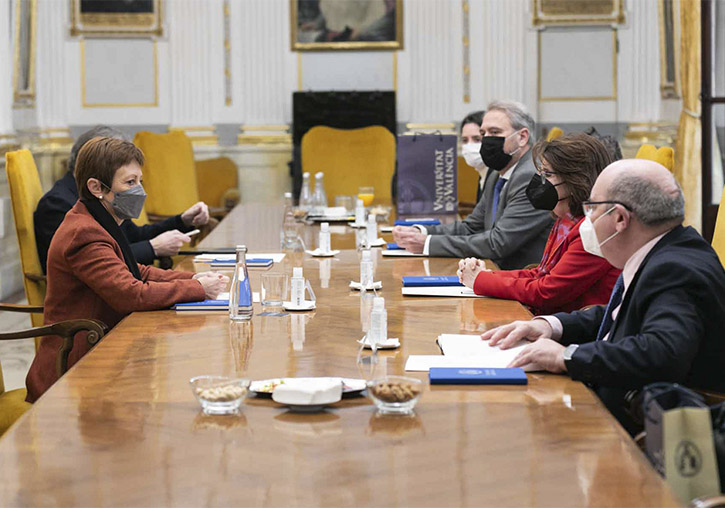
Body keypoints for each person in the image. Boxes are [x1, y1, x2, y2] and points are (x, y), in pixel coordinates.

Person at [481, 159, 725, 433]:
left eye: (592, 208)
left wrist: (568, 356)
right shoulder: (662, 250)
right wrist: (549, 326)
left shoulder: (675, 269)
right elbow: (619, 314)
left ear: (620, 218)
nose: (587, 220)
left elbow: (663, 352)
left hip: (640, 432)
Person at [26, 137, 228, 402]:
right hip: (73, 373)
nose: (140, 191)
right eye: (130, 182)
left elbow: (135, 271)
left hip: (104, 352)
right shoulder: (84, 232)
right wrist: (197, 289)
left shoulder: (100, 218)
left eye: (140, 181)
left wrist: (193, 277)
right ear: (97, 187)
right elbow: (129, 293)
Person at [457, 133, 621, 315]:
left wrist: (481, 281)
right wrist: (486, 275)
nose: (540, 181)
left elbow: (547, 291)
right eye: (540, 173)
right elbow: (541, 274)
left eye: (548, 174)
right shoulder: (565, 220)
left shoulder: (593, 230)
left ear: (577, 179)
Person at [393, 100, 554, 269]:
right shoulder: (496, 174)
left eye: (495, 132)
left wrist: (428, 243)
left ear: (522, 137)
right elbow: (472, 227)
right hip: (493, 270)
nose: (486, 140)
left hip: (521, 279)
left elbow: (498, 243)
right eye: (484, 134)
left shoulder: (531, 176)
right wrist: (422, 232)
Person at [34, 125, 210, 273]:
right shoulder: (57, 205)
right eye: (130, 181)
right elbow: (94, 262)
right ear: (93, 163)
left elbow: (133, 235)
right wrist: (152, 248)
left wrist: (182, 220)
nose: (137, 189)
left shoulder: (105, 198)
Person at [459, 110, 486, 203]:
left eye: (477, 139)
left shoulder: (498, 178)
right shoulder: (482, 175)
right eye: (465, 140)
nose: (470, 145)